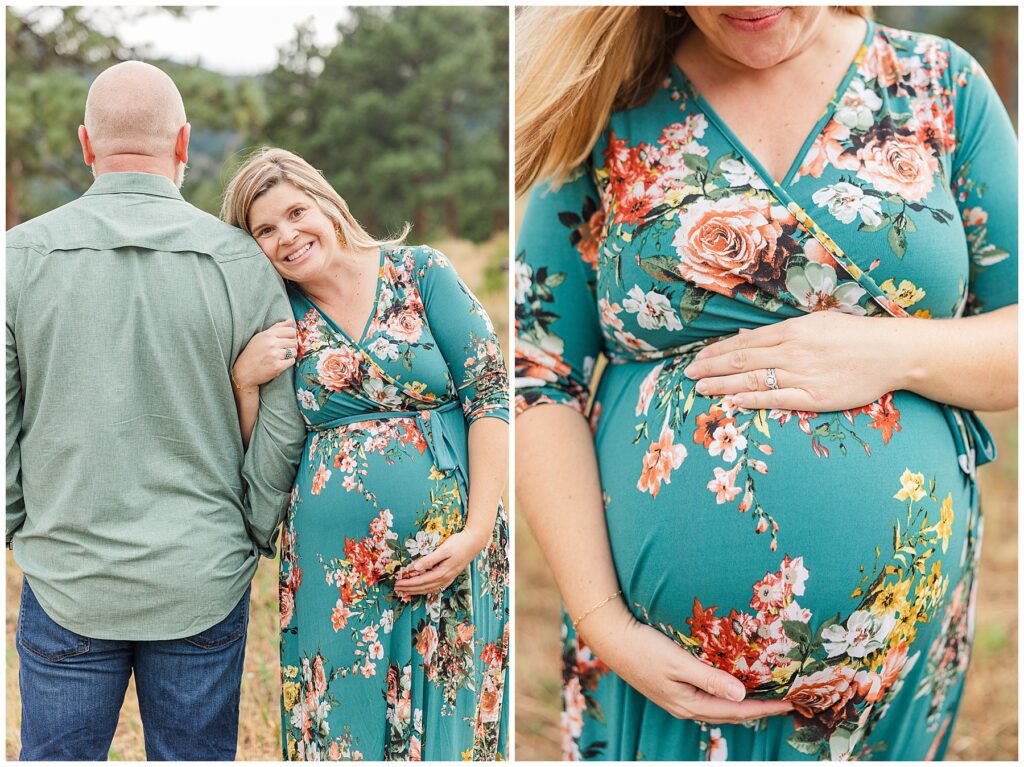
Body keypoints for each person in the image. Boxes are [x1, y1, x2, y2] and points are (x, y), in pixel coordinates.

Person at [515, 6, 1016, 761]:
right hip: (658, 674)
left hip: (890, 681)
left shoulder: (939, 85)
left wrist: (893, 351)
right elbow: (535, 370)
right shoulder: (606, 100)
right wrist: (604, 622)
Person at [5, 61, 305, 760]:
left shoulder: (16, 260)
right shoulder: (242, 262)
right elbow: (285, 417)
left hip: (68, 572)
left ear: (86, 144)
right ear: (184, 142)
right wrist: (252, 527)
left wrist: (21, 526)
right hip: (202, 573)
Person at [221, 147, 510, 760]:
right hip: (334, 571)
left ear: (327, 203)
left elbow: (490, 396)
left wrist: (477, 530)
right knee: (343, 733)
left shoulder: (419, 272)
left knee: (449, 725)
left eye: (296, 212)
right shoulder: (276, 318)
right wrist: (245, 383)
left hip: (453, 551)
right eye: (264, 230)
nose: (288, 237)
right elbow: (259, 453)